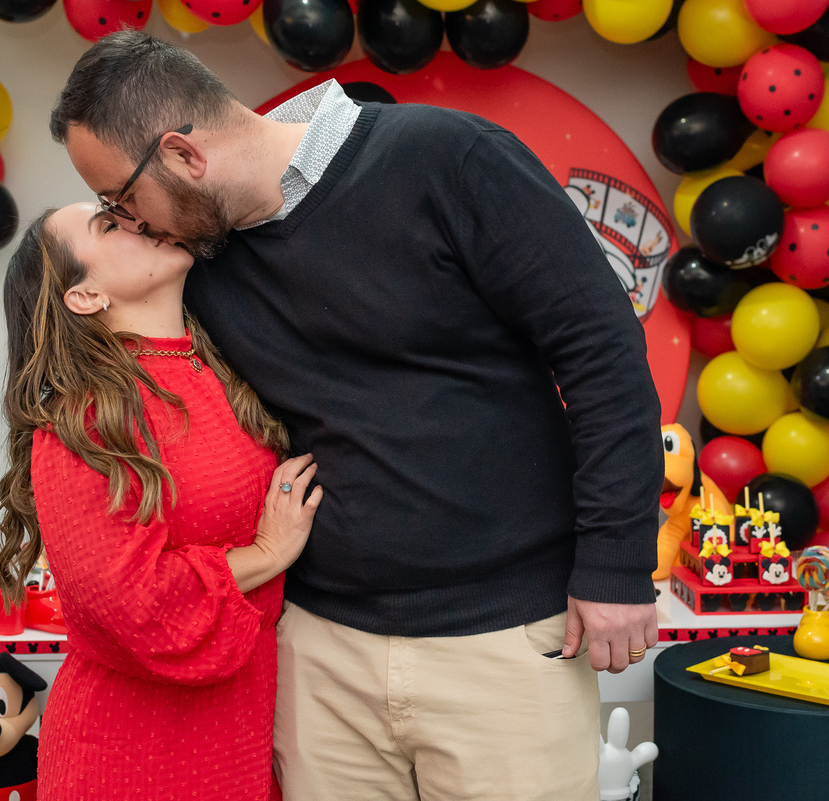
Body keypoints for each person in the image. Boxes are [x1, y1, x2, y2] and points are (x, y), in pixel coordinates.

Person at [51, 31, 664, 800]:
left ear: (183, 154)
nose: (132, 224)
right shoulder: (200, 266)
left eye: (122, 199)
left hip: (506, 637)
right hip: (319, 650)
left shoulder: (450, 159)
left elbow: (602, 352)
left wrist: (615, 559)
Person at [0, 202, 323, 800]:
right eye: (108, 226)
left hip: (239, 731)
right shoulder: (83, 418)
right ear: (85, 296)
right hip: (132, 750)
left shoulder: (222, 369)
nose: (138, 219)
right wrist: (267, 552)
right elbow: (131, 603)